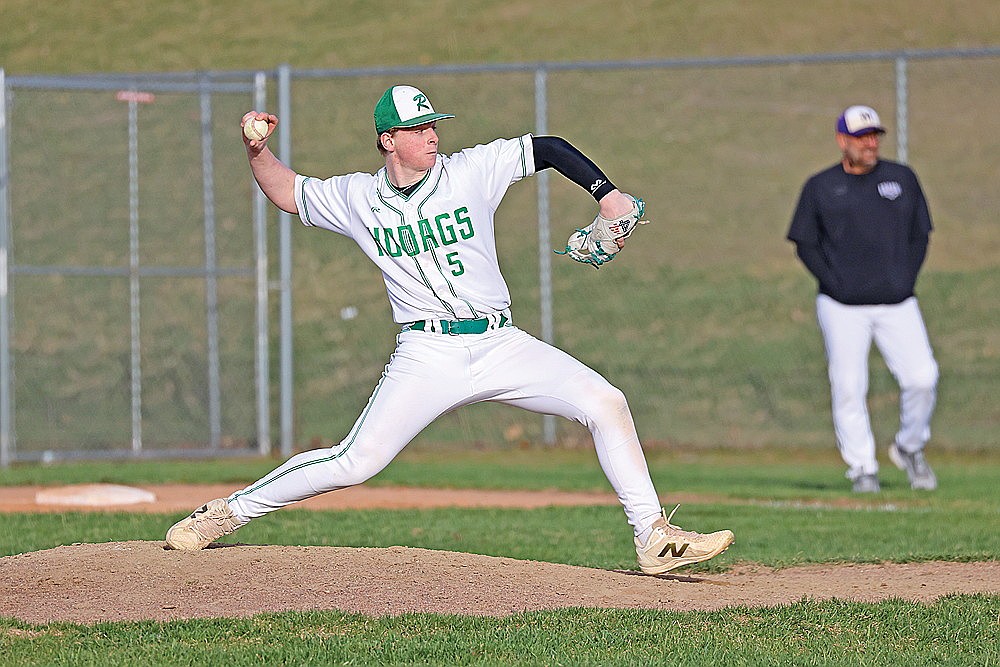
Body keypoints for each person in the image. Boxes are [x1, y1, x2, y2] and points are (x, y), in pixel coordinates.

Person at [165, 84, 734, 573]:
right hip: (427, 352)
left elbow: (549, 147)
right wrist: (257, 149)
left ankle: (654, 538)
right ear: (388, 140)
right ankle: (225, 513)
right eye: (417, 127)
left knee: (606, 402)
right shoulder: (360, 197)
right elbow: (288, 192)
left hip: (499, 342)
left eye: (433, 124)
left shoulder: (468, 172)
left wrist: (606, 194)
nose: (432, 134)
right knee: (356, 461)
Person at [787, 104, 939, 493]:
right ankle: (862, 468)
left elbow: (920, 234)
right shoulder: (821, 186)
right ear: (842, 140)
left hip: (898, 301)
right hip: (841, 306)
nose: (870, 143)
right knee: (849, 384)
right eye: (860, 137)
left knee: (922, 377)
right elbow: (805, 243)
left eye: (874, 136)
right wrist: (835, 283)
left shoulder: (901, 179)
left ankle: (909, 447)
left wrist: (903, 277)